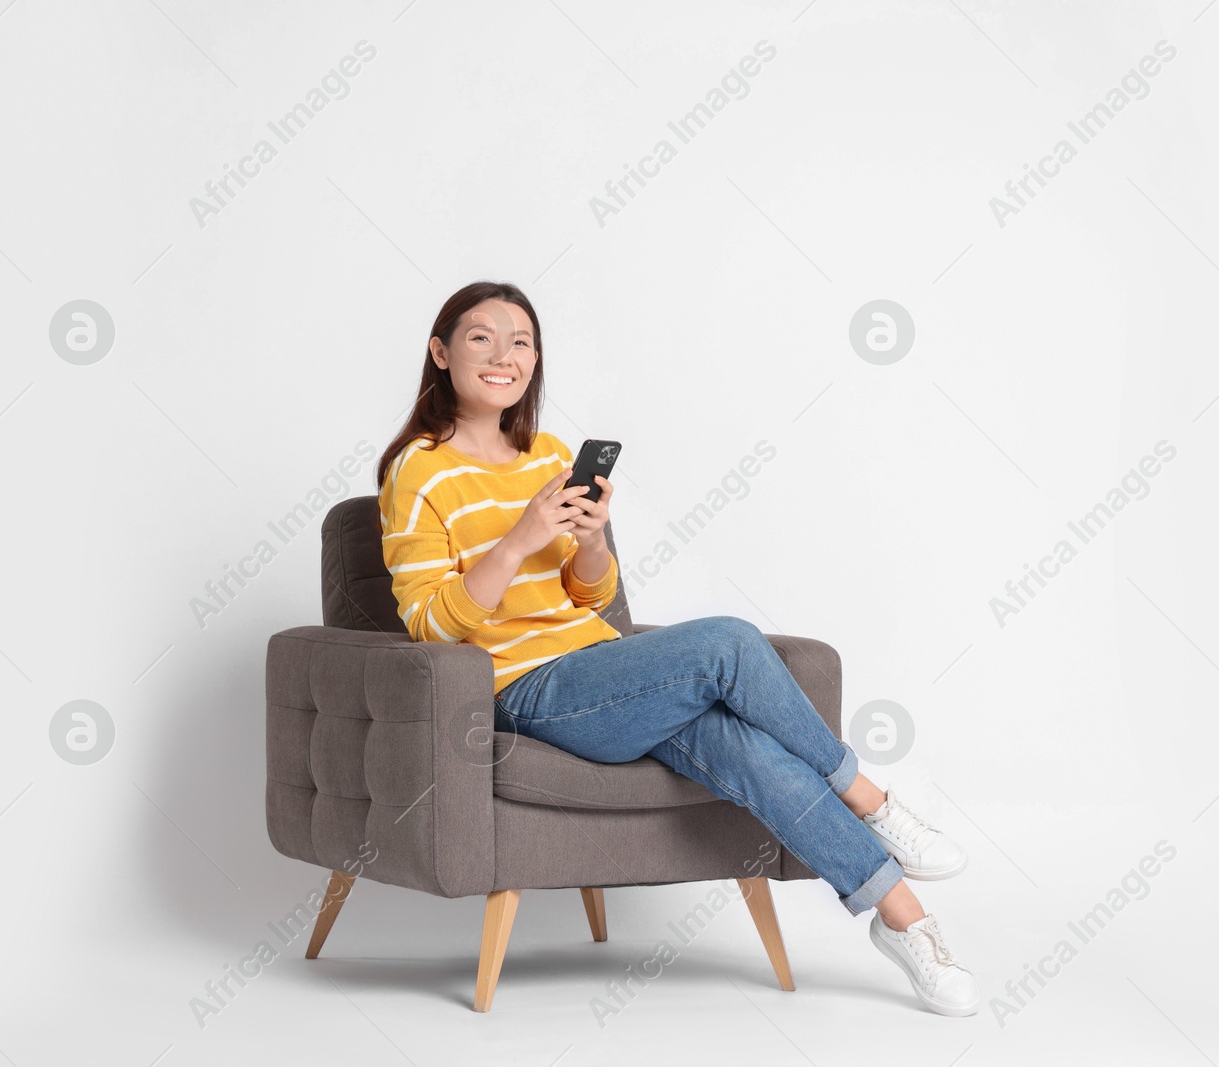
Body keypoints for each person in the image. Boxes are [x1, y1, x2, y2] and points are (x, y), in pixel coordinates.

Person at [375, 280, 978, 1016]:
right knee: (727, 641)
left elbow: (590, 598)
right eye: (481, 337)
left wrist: (590, 542)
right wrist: (521, 538)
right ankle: (871, 798)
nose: (504, 355)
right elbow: (430, 626)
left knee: (752, 754)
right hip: (524, 691)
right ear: (441, 352)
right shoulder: (417, 469)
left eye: (521, 341)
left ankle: (905, 921)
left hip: (601, 670)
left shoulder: (550, 455)